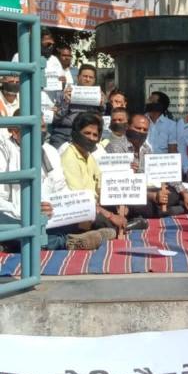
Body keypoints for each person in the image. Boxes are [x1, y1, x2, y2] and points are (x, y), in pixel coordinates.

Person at [0, 113, 105, 250]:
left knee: (87, 217)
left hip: (47, 216)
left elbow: (60, 188)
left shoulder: (50, 152)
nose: (41, 131)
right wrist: (30, 212)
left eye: (43, 127)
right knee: (13, 226)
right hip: (15, 216)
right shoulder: (4, 152)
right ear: (15, 132)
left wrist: (76, 208)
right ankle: (67, 241)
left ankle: (14, 243)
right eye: (35, 127)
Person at [61, 111, 123, 238]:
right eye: (87, 133)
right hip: (78, 209)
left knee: (126, 208)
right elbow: (80, 199)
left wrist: (119, 203)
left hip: (95, 205)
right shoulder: (69, 157)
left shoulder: (88, 156)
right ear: (76, 133)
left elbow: (101, 186)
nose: (91, 138)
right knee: (108, 223)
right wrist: (110, 216)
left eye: (95, 135)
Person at [50, 64, 105, 150]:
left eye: (91, 77)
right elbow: (55, 118)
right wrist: (65, 102)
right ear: (78, 77)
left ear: (94, 80)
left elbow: (100, 119)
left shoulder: (98, 95)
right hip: (65, 134)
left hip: (87, 137)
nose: (87, 79)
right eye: (85, 76)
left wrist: (101, 106)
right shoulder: (63, 94)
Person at [0, 75, 19, 139]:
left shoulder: (25, 99)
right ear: (2, 81)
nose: (14, 83)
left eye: (17, 82)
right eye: (11, 81)